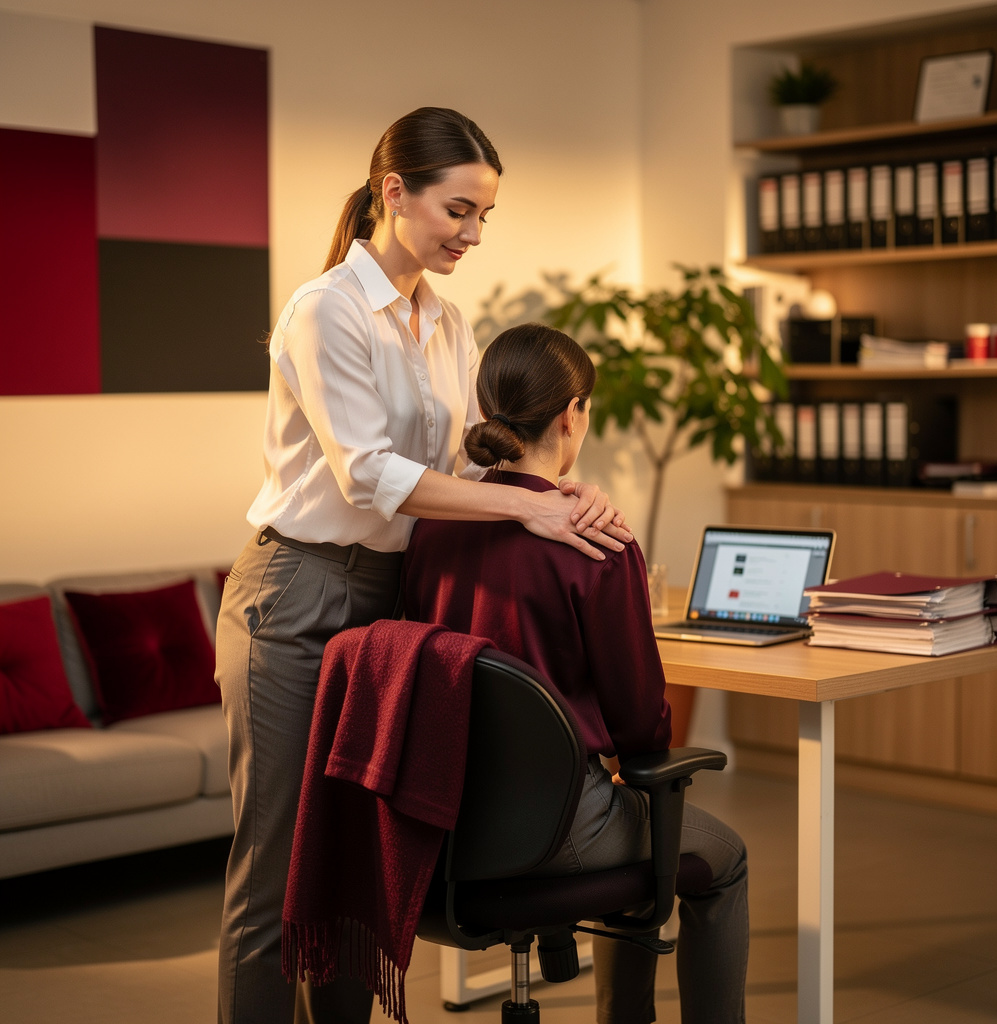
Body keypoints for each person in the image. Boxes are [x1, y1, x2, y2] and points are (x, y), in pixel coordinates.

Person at [215, 108, 632, 1024]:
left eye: (485, 216)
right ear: (394, 192)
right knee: (278, 869)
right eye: (459, 211)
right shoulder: (325, 309)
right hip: (295, 594)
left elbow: (480, 460)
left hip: (388, 601)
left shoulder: (447, 322)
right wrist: (526, 506)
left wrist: (564, 489)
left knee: (352, 862)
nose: (473, 234)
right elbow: (367, 476)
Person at [402, 323, 749, 1024]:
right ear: (571, 415)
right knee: (725, 858)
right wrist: (631, 759)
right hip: (560, 826)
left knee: (640, 823)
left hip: (440, 819)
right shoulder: (595, 540)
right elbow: (640, 724)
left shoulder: (431, 527)